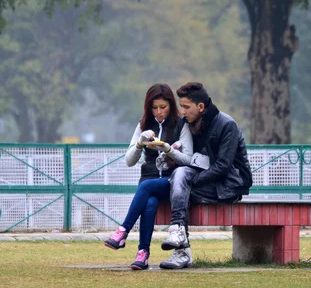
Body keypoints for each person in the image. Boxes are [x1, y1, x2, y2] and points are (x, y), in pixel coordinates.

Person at [159, 82, 252, 269]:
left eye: (186, 107)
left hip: (230, 184)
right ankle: (178, 233)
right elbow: (188, 159)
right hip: (205, 181)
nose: (182, 112)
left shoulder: (227, 125)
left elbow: (223, 167)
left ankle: (182, 251)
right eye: (181, 107)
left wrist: (192, 181)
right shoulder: (188, 124)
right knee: (179, 175)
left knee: (180, 189)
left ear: (200, 107)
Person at [104, 83, 193, 270]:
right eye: (154, 108)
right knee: (149, 201)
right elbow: (128, 161)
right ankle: (142, 254)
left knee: (145, 188)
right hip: (149, 181)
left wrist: (167, 149)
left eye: (163, 107)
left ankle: (122, 231)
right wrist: (139, 143)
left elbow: (188, 159)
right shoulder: (144, 124)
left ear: (171, 105)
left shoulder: (180, 124)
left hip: (172, 181)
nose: (159, 112)